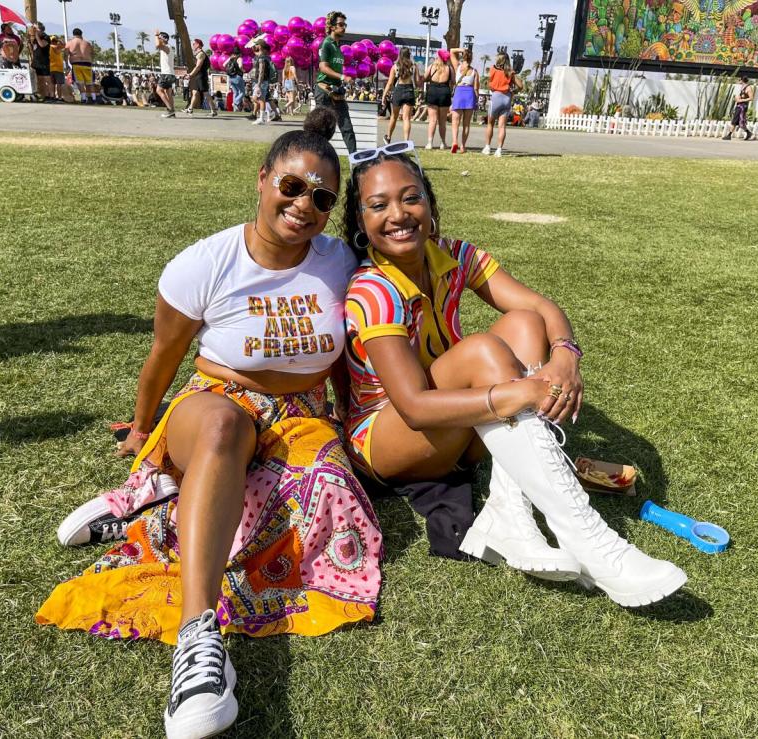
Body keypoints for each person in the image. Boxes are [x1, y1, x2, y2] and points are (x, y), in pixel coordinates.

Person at [37, 109, 382, 739]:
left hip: (303, 416)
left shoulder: (341, 261)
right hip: (218, 399)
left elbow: (361, 345)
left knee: (328, 495)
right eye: (292, 187)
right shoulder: (206, 263)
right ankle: (198, 647)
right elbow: (163, 357)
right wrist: (143, 430)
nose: (305, 205)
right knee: (224, 434)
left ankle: (159, 506)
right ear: (262, 180)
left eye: (323, 197)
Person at [341, 141, 687, 606]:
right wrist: (516, 393)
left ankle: (512, 513)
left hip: (455, 429)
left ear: (429, 202)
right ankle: (592, 543)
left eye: (410, 197)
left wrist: (565, 355)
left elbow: (540, 308)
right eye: (378, 205)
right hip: (387, 439)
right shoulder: (372, 289)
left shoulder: (453, 254)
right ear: (360, 223)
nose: (398, 214)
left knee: (524, 324)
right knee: (484, 350)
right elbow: (415, 407)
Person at [316, 11, 356, 153]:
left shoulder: (338, 48)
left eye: (345, 24)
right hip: (323, 91)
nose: (344, 27)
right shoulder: (326, 44)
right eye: (340, 24)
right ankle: (317, 160)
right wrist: (342, 77)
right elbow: (323, 67)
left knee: (347, 128)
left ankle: (356, 163)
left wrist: (343, 82)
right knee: (322, 130)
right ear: (332, 27)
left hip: (337, 92)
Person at [483, 51, 523, 157]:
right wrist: (513, 91)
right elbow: (520, 86)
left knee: (490, 124)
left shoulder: (493, 69)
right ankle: (499, 150)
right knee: (502, 126)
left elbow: (490, 84)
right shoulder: (511, 72)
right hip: (506, 98)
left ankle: (487, 147)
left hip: (496, 97)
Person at [382, 48, 422, 144]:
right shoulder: (414, 66)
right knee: (406, 118)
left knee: (394, 116)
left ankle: (388, 137)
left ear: (400, 55)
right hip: (409, 90)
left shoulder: (395, 66)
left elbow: (390, 83)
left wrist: (384, 95)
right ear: (409, 55)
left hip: (398, 90)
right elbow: (417, 82)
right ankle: (406, 141)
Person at [448, 47, 478, 153]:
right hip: (469, 94)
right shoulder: (474, 71)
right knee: (466, 123)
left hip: (459, 92)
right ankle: (463, 146)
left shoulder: (458, 67)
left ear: (463, 57)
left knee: (455, 121)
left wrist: (462, 49)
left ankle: (454, 141)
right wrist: (476, 100)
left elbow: (451, 51)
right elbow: (476, 88)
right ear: (472, 58)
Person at [423, 50, 452, 149]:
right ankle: (443, 142)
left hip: (433, 92)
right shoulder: (449, 68)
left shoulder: (431, 67)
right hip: (444, 92)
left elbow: (425, 77)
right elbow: (453, 81)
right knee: (442, 121)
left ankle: (430, 142)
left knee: (432, 120)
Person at [184, 38, 217, 116]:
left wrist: (190, 74)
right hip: (198, 76)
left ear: (198, 45)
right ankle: (190, 109)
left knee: (206, 93)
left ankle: (213, 111)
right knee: (194, 92)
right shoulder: (198, 54)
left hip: (201, 76)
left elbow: (198, 66)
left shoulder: (201, 54)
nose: (193, 45)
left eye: (194, 44)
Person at [64, 28, 95, 103]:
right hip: (87, 63)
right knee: (89, 82)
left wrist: (67, 64)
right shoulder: (87, 43)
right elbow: (92, 53)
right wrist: (91, 61)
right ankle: (94, 98)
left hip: (76, 63)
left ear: (73, 34)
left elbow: (65, 54)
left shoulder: (70, 43)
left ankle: (84, 98)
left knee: (80, 82)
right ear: (81, 34)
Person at [722, 75, 754, 141]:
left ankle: (729, 135)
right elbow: (741, 96)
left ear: (742, 80)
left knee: (736, 120)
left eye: (739, 80)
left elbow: (751, 98)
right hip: (739, 105)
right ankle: (748, 133)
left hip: (742, 107)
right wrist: (737, 98)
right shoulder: (742, 87)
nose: (738, 81)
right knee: (739, 122)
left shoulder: (748, 88)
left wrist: (741, 100)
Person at [154, 31, 177, 118]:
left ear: (165, 39)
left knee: (158, 91)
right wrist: (158, 37)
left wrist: (156, 35)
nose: (159, 39)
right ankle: (172, 111)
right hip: (170, 74)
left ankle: (170, 110)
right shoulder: (167, 47)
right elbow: (158, 45)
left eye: (161, 38)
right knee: (168, 94)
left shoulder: (167, 47)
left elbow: (157, 45)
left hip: (166, 74)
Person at [250, 41, 274, 125]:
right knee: (256, 99)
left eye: (257, 45)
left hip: (262, 81)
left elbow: (261, 71)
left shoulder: (262, 58)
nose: (255, 46)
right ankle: (269, 112)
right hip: (259, 81)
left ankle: (262, 118)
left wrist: (259, 84)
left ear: (260, 46)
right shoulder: (260, 56)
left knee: (260, 99)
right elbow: (254, 50)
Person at [224, 48, 245, 113]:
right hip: (238, 77)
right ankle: (235, 102)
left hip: (231, 77)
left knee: (235, 92)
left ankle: (235, 109)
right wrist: (243, 70)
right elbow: (240, 66)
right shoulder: (239, 58)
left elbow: (224, 64)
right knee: (242, 92)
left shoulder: (230, 58)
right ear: (239, 53)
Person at [48, 35, 66, 102]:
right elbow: (64, 45)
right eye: (55, 41)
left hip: (51, 68)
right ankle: (59, 98)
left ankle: (53, 97)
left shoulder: (48, 48)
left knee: (52, 84)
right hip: (58, 68)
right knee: (59, 84)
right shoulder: (58, 47)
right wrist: (59, 40)